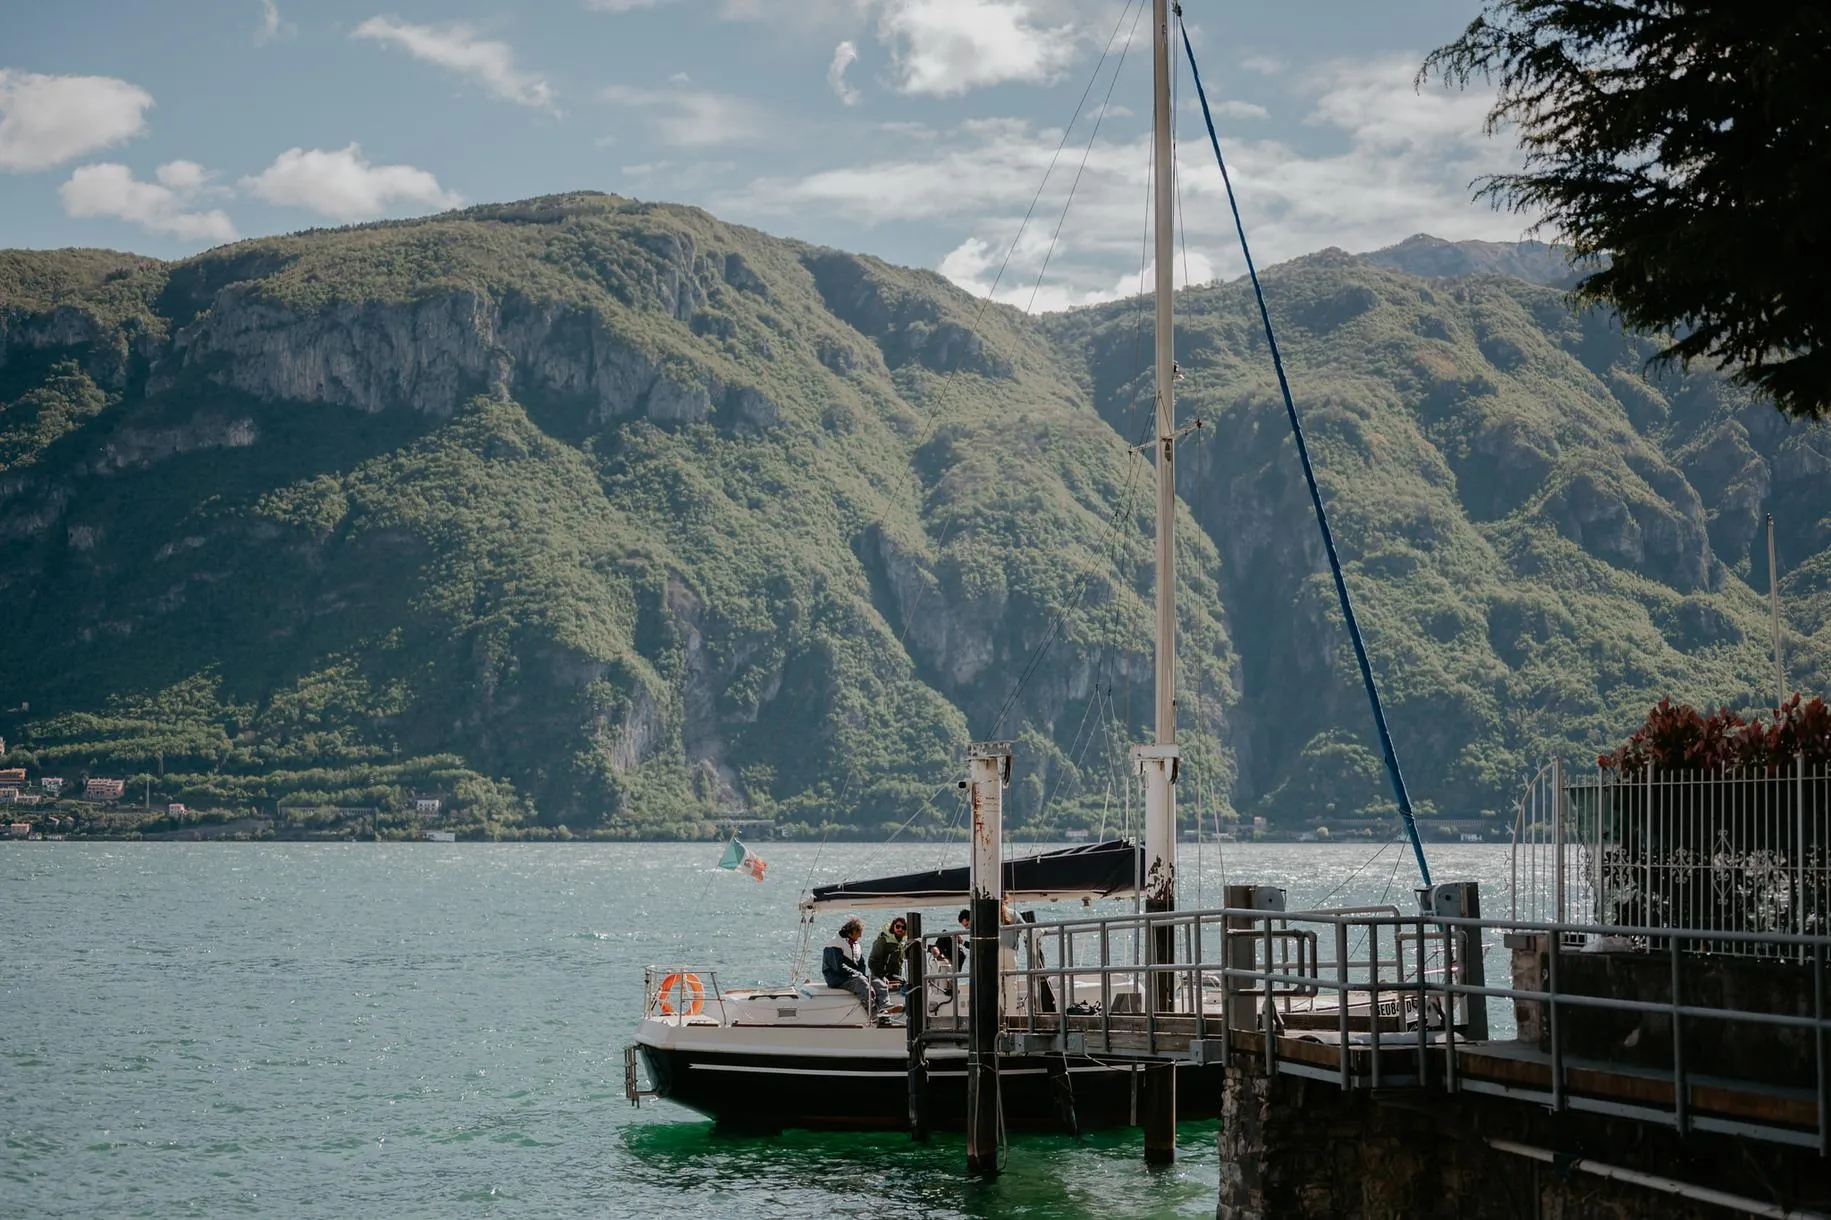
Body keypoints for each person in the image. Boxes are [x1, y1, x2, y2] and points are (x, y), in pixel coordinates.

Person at [822, 916, 887, 1016]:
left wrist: (861, 974)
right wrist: (857, 974)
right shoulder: (834, 944)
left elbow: (861, 963)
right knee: (862, 983)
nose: (861, 935)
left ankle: (885, 1006)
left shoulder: (855, 944)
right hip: (838, 979)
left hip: (853, 976)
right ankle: (873, 1012)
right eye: (859, 932)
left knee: (877, 982)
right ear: (852, 931)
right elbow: (838, 967)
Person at [867, 917, 909, 986]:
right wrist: (881, 976)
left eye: (903, 927)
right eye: (898, 926)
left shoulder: (902, 943)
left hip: (895, 977)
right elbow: (872, 961)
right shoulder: (883, 940)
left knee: (907, 984)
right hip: (881, 977)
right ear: (893, 927)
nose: (900, 929)